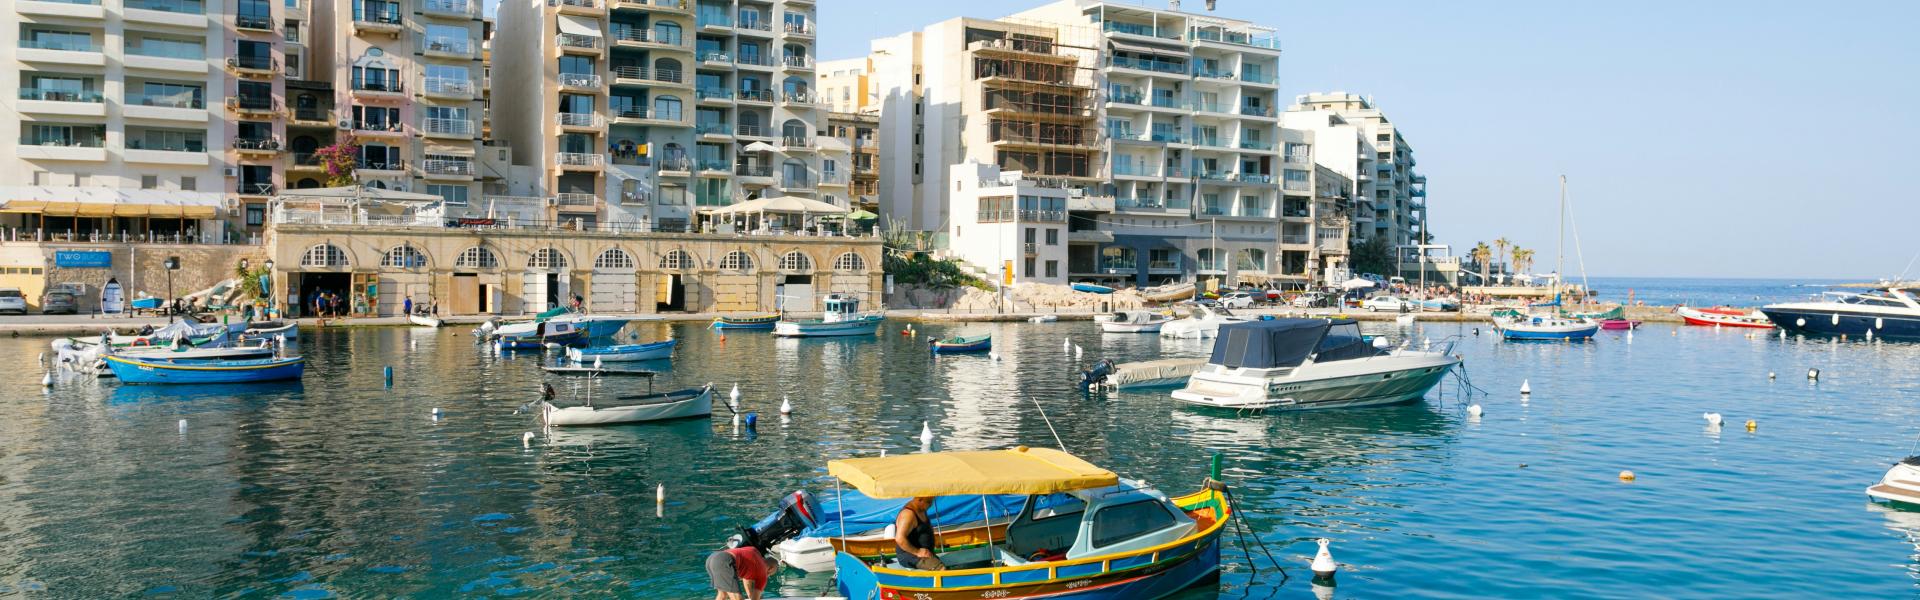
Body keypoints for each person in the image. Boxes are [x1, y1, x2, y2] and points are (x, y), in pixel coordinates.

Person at [893, 496, 943, 570]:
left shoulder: (921, 509)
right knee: (941, 569)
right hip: (910, 555)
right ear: (919, 499)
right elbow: (900, 539)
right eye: (929, 502)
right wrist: (917, 552)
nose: (931, 505)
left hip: (925, 553)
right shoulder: (908, 514)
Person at [705, 545, 769, 600]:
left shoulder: (755, 555)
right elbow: (755, 598)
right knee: (738, 598)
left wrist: (750, 595)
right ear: (771, 569)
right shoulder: (763, 572)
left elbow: (747, 580)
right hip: (725, 560)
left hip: (712, 558)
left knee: (723, 594)